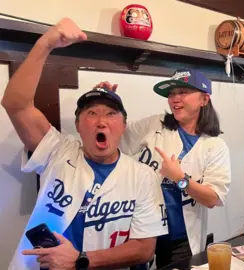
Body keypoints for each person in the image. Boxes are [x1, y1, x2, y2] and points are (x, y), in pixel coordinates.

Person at [2, 18, 167, 270]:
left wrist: (81, 259)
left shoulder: (143, 176)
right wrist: (45, 44)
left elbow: (145, 248)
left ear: (123, 126)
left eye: (111, 114)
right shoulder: (57, 151)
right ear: (78, 126)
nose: (101, 121)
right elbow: (16, 104)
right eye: (91, 113)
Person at [96, 69, 231, 268]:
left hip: (180, 238)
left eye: (183, 92)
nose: (175, 99)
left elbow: (213, 198)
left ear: (204, 99)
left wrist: (180, 179)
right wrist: (107, 104)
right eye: (171, 94)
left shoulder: (215, 146)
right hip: (141, 231)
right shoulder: (154, 124)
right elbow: (117, 135)